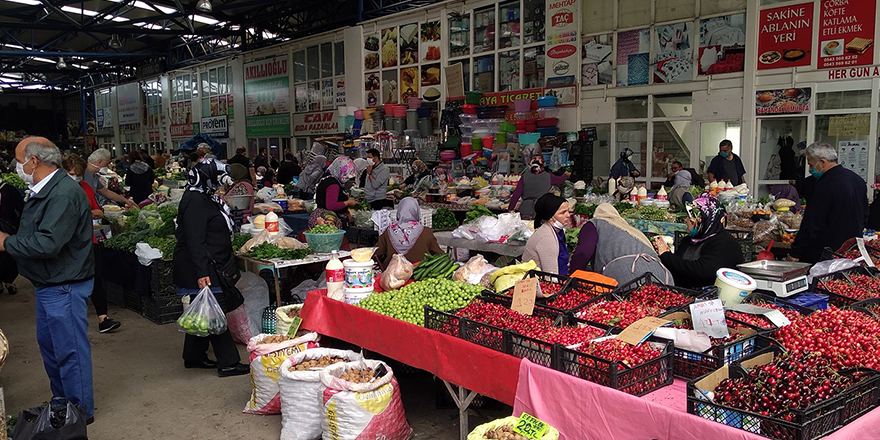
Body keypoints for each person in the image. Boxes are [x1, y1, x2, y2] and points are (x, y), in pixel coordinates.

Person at [0, 137, 97, 423]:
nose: (16, 166)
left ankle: (79, 412)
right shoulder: (46, 189)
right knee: (53, 349)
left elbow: (47, 244)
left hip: (63, 284)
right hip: (49, 283)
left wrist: (7, 243)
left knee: (70, 352)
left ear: (33, 161)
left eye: (18, 160)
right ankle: (63, 402)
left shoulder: (63, 194)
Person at [173, 158, 248, 377]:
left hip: (207, 263)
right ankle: (229, 362)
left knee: (203, 308)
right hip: (205, 266)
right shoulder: (196, 200)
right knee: (215, 312)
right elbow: (195, 240)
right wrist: (202, 273)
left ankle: (194, 356)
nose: (221, 184)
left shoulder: (200, 196)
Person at [63, 154, 121, 333]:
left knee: (96, 276)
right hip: (66, 243)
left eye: (78, 174)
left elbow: (99, 212)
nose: (76, 177)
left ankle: (103, 318)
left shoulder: (86, 187)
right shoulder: (59, 191)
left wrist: (89, 213)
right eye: (72, 173)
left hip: (89, 239)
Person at [787, 142, 868, 263]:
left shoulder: (823, 185)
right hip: (852, 250)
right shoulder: (857, 180)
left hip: (825, 252)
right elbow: (865, 214)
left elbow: (812, 223)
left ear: (822, 162)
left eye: (811, 165)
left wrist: (795, 252)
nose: (810, 170)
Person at [654, 194, 743, 288]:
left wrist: (666, 255)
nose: (686, 220)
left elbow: (701, 270)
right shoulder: (689, 240)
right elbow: (679, 267)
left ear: (705, 219)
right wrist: (666, 254)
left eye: (691, 217)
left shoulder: (726, 245)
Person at [570, 204, 672, 284]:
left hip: (628, 276)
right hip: (663, 276)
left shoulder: (595, 223)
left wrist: (571, 278)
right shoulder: (629, 229)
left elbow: (583, 252)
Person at [375, 197, 443, 270]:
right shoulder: (426, 231)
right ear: (416, 211)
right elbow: (439, 254)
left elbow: (377, 253)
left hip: (394, 273)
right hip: (419, 272)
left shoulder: (388, 231)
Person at [522, 194, 571, 275]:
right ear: (551, 217)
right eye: (563, 213)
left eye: (568, 211)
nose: (568, 215)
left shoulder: (558, 231)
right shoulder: (547, 238)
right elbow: (551, 276)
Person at [0, 160, 23, 295]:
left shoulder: (9, 189)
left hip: (8, 228)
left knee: (10, 255)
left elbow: (21, 208)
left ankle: (9, 281)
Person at [316, 156, 358, 226]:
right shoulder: (333, 185)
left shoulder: (328, 178)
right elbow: (331, 206)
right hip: (327, 220)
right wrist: (348, 202)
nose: (347, 177)